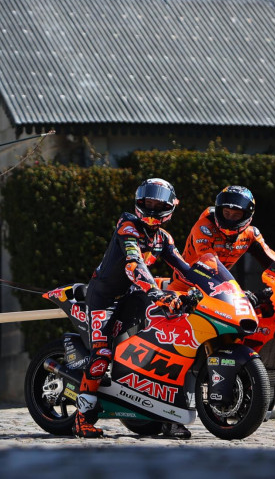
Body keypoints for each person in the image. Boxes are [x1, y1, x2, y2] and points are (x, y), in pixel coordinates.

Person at [76, 178, 192, 440]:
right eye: (147, 202)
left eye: (156, 203)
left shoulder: (163, 238)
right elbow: (133, 264)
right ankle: (82, 419)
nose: (151, 207)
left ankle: (167, 415)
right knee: (102, 354)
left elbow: (185, 270)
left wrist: (217, 287)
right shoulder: (128, 227)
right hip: (104, 298)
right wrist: (156, 293)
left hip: (134, 296)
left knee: (164, 343)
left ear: (170, 206)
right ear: (139, 203)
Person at [168, 185, 275, 304]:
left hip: (221, 292)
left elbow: (274, 262)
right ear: (219, 211)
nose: (230, 219)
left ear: (247, 215)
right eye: (226, 213)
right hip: (185, 289)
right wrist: (238, 292)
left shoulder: (251, 234)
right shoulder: (204, 227)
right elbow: (209, 263)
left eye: (236, 215)